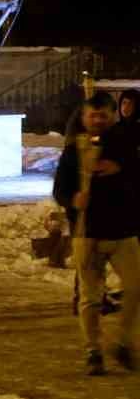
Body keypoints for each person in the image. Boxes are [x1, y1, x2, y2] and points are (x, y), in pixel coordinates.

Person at [52, 92, 139, 375]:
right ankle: (93, 349)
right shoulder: (73, 150)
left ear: (113, 115)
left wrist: (120, 170)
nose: (98, 120)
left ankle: (123, 341)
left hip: (123, 231)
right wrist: (72, 200)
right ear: (85, 117)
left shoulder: (126, 145)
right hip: (87, 233)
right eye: (93, 115)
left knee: (136, 287)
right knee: (90, 297)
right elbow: (60, 190)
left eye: (103, 115)